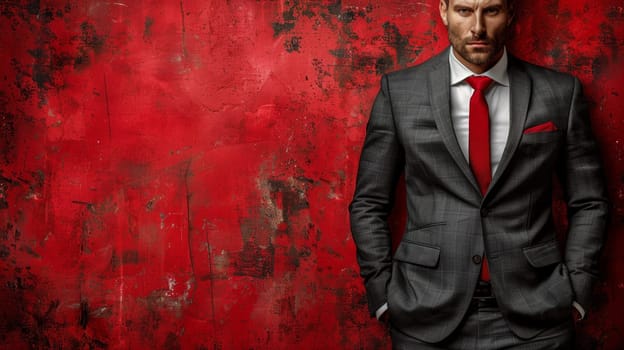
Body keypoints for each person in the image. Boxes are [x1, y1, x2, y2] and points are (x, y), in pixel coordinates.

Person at [348, 0, 609, 348]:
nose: (478, 28)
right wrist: (382, 295)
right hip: (424, 314)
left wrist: (576, 289)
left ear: (510, 14)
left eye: (492, 10)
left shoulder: (560, 93)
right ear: (443, 11)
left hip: (537, 316)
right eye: (465, 10)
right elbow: (368, 201)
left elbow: (590, 201)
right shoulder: (400, 93)